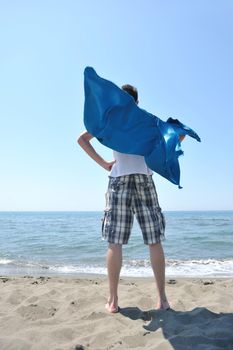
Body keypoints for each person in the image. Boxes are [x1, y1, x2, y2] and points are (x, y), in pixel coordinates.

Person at [78, 84, 170, 313]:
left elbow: (82, 139)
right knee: (154, 240)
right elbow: (173, 138)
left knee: (115, 241)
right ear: (136, 102)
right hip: (144, 179)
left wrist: (104, 164)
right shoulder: (147, 121)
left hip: (119, 179)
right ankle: (163, 300)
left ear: (119, 99)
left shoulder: (110, 120)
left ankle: (113, 301)